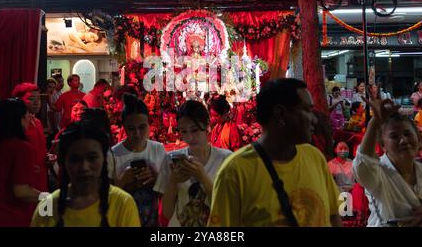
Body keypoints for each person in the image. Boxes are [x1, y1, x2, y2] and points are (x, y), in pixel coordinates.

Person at [208, 78, 342, 227]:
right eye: (307, 110)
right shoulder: (235, 172)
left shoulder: (314, 157)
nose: (314, 120)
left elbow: (333, 215)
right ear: (281, 114)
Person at [31, 119, 141, 227]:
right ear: (63, 161)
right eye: (75, 159)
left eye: (92, 158)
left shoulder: (122, 203)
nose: (84, 167)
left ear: (104, 158)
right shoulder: (47, 206)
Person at [155, 100, 232, 227]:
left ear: (207, 125)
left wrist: (203, 177)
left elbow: (227, 209)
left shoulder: (225, 159)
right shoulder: (171, 159)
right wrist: (173, 181)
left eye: (194, 130)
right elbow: (166, 213)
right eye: (183, 131)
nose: (189, 137)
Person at [352, 89, 422, 227]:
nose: (403, 140)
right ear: (383, 146)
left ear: (419, 140)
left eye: (408, 134)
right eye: (394, 136)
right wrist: (375, 122)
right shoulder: (377, 173)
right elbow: (363, 164)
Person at [0, 99, 43, 227]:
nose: (30, 120)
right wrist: (50, 198)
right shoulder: (21, 147)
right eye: (27, 116)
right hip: (9, 216)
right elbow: (21, 191)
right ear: (20, 119)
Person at [109, 94, 166, 227]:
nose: (137, 134)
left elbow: (167, 192)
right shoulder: (113, 154)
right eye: (131, 129)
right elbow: (106, 199)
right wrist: (122, 181)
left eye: (142, 127)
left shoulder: (158, 149)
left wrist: (155, 178)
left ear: (149, 124)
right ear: (123, 126)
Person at [12, 83, 48, 193]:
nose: (37, 102)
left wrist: (47, 157)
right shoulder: (16, 125)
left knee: (44, 207)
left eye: (38, 99)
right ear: (19, 101)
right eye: (31, 99)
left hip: (41, 178)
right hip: (25, 180)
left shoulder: (37, 122)